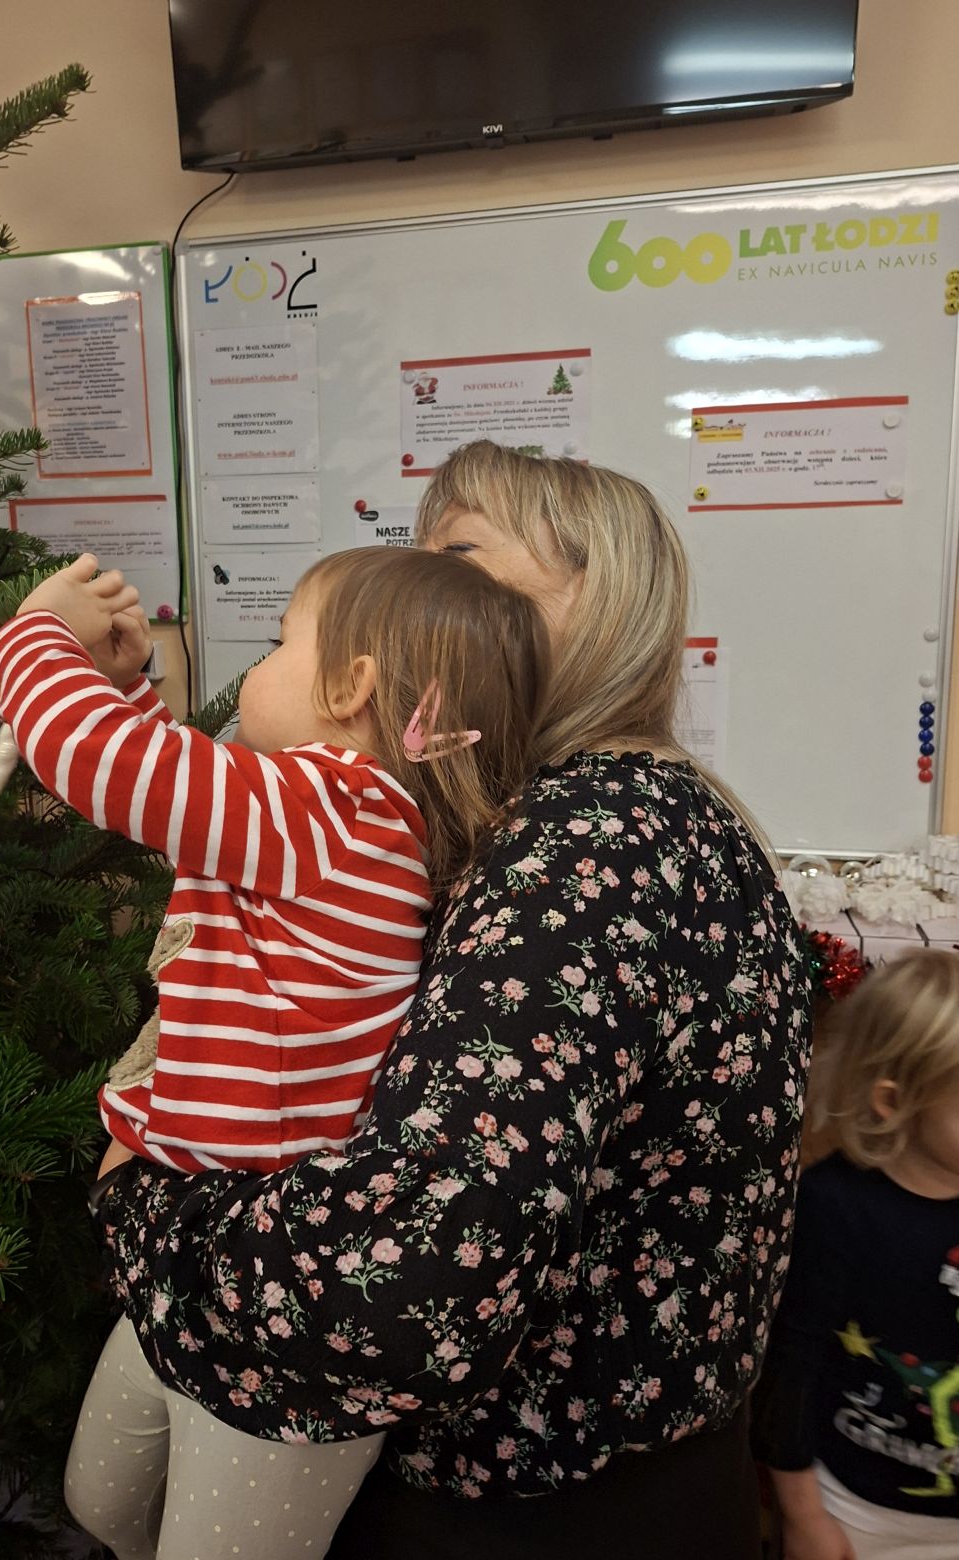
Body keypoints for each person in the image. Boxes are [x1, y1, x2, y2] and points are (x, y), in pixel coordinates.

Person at [90, 440, 812, 1560]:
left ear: (605, 603)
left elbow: (402, 1280)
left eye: (460, 562)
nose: (411, 596)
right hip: (611, 1481)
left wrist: (140, 1204)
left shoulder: (582, 849)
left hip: (535, 1515)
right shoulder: (611, 816)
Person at [0, 541, 549, 1560]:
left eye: (280, 643)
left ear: (350, 688)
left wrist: (36, 632)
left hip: (272, 1330)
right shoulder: (325, 817)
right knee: (102, 1502)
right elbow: (182, 795)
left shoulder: (335, 807)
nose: (260, 666)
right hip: (201, 1259)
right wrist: (128, 686)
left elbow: (112, 766)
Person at [752, 950, 959, 1560]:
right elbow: (790, 1371)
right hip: (857, 1509)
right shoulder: (833, 1207)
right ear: (894, 1101)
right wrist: (802, 1515)